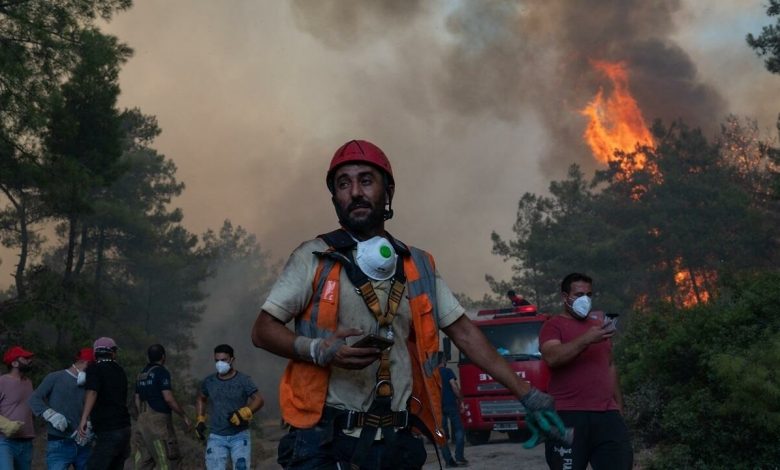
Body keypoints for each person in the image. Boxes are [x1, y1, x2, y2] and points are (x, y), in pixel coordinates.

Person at [251, 139, 564, 469]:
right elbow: (262, 330)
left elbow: (465, 334)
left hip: (396, 443)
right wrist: (317, 349)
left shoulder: (419, 265)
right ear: (335, 198)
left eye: (366, 180)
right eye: (344, 184)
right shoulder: (313, 258)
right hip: (325, 442)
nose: (355, 191)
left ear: (388, 191)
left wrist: (526, 393)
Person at [538, 273, 633, 470]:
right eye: (579, 294)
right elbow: (553, 358)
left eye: (589, 294)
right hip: (567, 417)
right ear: (565, 297)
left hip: (607, 415)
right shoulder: (553, 326)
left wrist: (618, 408)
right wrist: (586, 339)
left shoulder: (600, 327)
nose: (585, 300)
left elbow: (610, 366)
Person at [195, 344, 264, 470]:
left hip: (240, 435)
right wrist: (200, 419)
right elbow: (201, 398)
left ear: (232, 359)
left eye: (224, 360)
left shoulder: (243, 380)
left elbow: (259, 400)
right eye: (217, 360)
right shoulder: (209, 382)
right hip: (216, 436)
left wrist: (244, 413)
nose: (220, 363)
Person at [29, 347, 95, 470]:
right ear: (85, 363)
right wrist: (50, 415)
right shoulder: (55, 377)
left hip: (83, 445)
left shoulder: (90, 385)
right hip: (58, 443)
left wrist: (91, 427)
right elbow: (34, 399)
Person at [132, 344, 191, 469]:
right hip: (158, 423)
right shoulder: (161, 372)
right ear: (163, 357)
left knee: (144, 460)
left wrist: (141, 417)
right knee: (166, 459)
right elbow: (168, 398)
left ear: (148, 357)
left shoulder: (141, 374)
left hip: (142, 421)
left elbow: (137, 399)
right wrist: (184, 416)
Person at [78, 337, 132, 470]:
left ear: (95, 353)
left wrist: (84, 418)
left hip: (108, 430)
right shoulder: (120, 370)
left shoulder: (95, 369)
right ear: (113, 353)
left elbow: (92, 392)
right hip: (124, 428)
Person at [0, 345, 35, 469]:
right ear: (14, 363)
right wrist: (7, 425)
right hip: (5, 441)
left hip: (26, 441)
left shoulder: (28, 382)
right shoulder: (2, 381)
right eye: (25, 358)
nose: (29, 361)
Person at [438, 354, 467, 468]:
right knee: (459, 430)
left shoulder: (431, 374)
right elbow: (454, 386)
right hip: (451, 404)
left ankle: (448, 461)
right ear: (443, 360)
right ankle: (459, 458)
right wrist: (461, 401)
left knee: (442, 434)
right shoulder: (447, 371)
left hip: (438, 407)